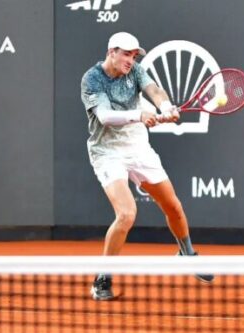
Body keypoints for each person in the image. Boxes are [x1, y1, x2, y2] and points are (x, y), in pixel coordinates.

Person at [80, 32, 213, 301]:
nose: (131, 60)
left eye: (134, 55)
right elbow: (105, 117)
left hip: (138, 148)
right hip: (107, 152)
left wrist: (166, 105)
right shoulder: (92, 79)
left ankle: (187, 254)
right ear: (112, 52)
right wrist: (138, 114)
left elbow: (154, 90)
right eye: (126, 54)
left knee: (173, 206)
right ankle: (103, 278)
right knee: (127, 214)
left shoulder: (136, 71)